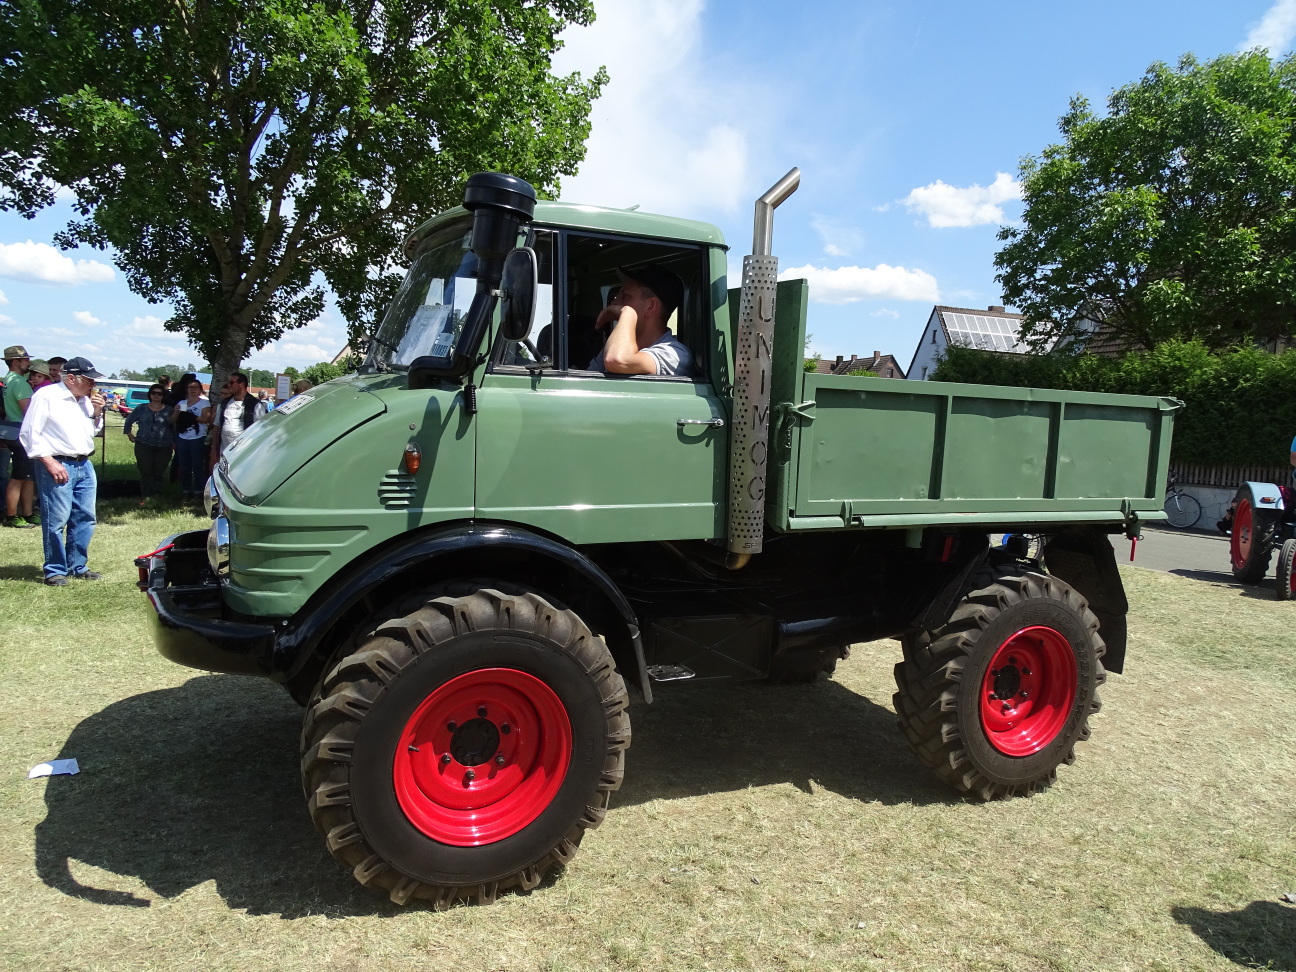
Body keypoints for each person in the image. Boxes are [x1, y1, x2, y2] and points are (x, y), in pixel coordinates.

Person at [19, 356, 106, 586]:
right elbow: (29, 433)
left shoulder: (85, 400)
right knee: (56, 519)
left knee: (85, 517)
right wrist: (49, 462)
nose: (93, 384)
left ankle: (77, 565)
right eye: (89, 380)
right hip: (57, 463)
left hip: (84, 463)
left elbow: (92, 431)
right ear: (71, 378)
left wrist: (97, 412)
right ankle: (55, 570)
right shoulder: (47, 396)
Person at [586, 265, 692, 376]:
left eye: (625, 296)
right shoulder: (616, 345)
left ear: (650, 307)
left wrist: (628, 312)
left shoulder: (674, 354)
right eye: (617, 296)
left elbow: (617, 360)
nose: (614, 302)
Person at [2, 344, 38, 528]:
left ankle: (27, 513)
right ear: (16, 362)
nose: (28, 362)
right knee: (19, 476)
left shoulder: (8, 380)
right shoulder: (19, 382)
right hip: (22, 433)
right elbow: (28, 412)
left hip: (12, 430)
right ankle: (12, 516)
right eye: (25, 359)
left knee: (27, 476)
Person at [124, 383, 173, 506]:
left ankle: (157, 495)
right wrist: (129, 433)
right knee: (146, 471)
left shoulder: (169, 410)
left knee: (159, 471)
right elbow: (129, 420)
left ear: (163, 396)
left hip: (164, 445)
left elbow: (174, 426)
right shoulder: (141, 408)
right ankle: (146, 496)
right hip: (143, 444)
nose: (156, 395)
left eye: (159, 393)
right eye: (153, 393)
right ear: (150, 395)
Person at [210, 371, 267, 464]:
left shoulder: (255, 405)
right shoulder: (224, 403)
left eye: (231, 382)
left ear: (242, 384)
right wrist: (214, 450)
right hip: (224, 453)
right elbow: (217, 426)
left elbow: (261, 430)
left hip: (244, 454)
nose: (229, 385)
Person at [172, 376, 210, 501]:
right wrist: (176, 412)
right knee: (184, 465)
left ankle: (198, 491)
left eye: (195, 387)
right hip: (183, 436)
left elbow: (206, 419)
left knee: (197, 465)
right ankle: (186, 491)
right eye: (190, 387)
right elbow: (173, 420)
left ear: (200, 389)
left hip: (198, 436)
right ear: (186, 389)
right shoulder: (182, 403)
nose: (192, 390)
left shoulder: (204, 402)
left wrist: (192, 418)